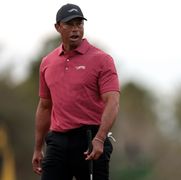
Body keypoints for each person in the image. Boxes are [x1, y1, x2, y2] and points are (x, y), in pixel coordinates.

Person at [31, 3, 120, 180]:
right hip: (57, 140)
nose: (75, 29)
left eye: (79, 24)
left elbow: (113, 101)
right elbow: (45, 107)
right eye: (69, 24)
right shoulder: (47, 62)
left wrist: (101, 138)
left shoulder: (102, 59)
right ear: (58, 27)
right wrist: (38, 147)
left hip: (90, 139)